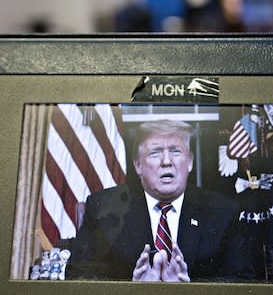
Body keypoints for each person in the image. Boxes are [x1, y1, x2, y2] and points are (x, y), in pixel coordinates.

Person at [67, 119, 253, 282]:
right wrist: (132, 290)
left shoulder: (222, 211)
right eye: (155, 152)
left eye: (175, 151)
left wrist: (190, 291)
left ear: (189, 162)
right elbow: (78, 278)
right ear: (138, 165)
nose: (166, 161)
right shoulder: (103, 208)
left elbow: (243, 283)